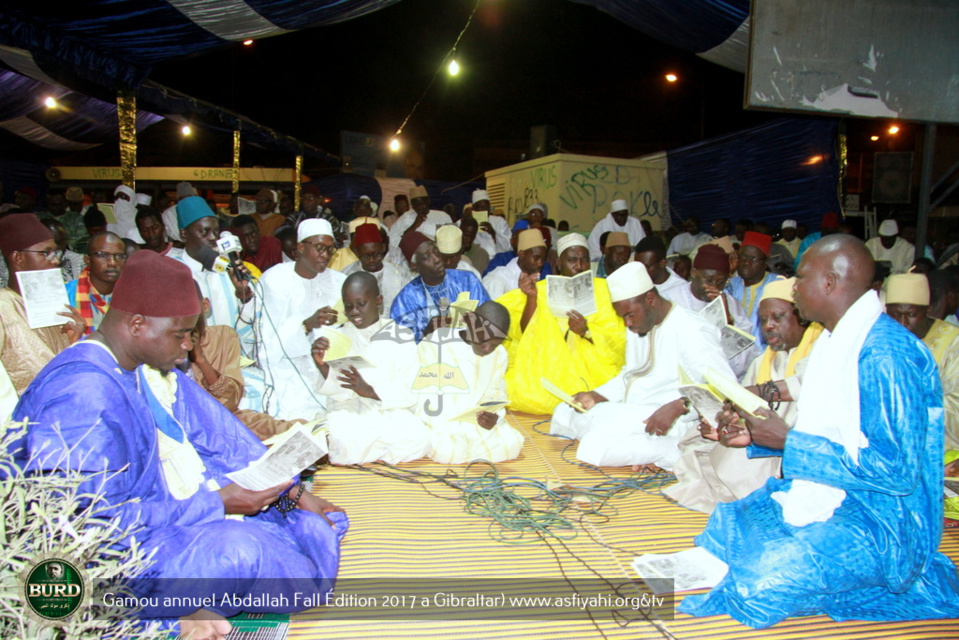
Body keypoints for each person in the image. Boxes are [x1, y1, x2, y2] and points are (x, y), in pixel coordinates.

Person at [12, 250, 348, 639]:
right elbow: (80, 531)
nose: (189, 346)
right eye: (180, 334)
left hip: (164, 519)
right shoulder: (82, 394)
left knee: (305, 527)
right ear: (137, 324)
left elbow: (223, 441)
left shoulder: (139, 368)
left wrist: (292, 495)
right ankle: (155, 616)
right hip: (102, 566)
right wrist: (217, 505)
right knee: (242, 551)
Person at [680, 235, 959, 628]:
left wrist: (790, 443)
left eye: (802, 277)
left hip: (881, 524)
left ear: (830, 282)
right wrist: (755, 437)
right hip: (830, 495)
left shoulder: (886, 353)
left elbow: (896, 470)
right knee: (726, 526)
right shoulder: (834, 340)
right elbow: (824, 428)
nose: (794, 287)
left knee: (759, 587)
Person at [551, 261, 733, 469]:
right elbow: (629, 375)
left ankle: (677, 450)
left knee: (594, 448)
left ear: (650, 299)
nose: (627, 323)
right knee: (563, 413)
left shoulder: (693, 330)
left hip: (668, 421)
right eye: (623, 317)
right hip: (631, 410)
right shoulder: (639, 323)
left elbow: (723, 389)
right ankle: (639, 449)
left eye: (629, 315)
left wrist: (679, 406)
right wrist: (596, 395)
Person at [666, 278, 823, 513]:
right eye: (763, 320)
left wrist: (756, 403)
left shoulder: (820, 352)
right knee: (696, 438)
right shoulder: (764, 361)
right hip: (759, 437)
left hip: (796, 445)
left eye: (777, 317)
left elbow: (803, 389)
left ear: (802, 317)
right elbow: (744, 410)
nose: (768, 326)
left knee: (733, 461)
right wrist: (722, 424)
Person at [497, 233, 625, 414]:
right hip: (550, 363)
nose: (579, 266)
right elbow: (524, 333)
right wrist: (532, 298)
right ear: (558, 262)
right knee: (528, 393)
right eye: (572, 260)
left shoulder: (604, 290)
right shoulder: (539, 289)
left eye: (584, 260)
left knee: (610, 391)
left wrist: (586, 332)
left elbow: (618, 338)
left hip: (592, 365)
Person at [311, 272, 429, 464]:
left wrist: (370, 391)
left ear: (378, 301)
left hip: (389, 412)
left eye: (361, 304)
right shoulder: (339, 337)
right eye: (348, 306)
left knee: (419, 438)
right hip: (352, 412)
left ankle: (356, 454)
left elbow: (410, 391)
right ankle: (373, 453)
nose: (354, 311)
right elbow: (337, 393)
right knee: (336, 432)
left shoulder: (401, 336)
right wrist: (322, 366)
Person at [415, 301, 525, 464]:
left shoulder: (500, 355)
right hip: (442, 418)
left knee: (512, 444)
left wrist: (494, 416)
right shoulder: (436, 343)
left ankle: (469, 446)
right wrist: (452, 423)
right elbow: (425, 395)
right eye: (483, 340)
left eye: (494, 345)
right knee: (448, 452)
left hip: (474, 420)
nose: (487, 349)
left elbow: (495, 393)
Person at [186, 284, 300, 441]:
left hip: (228, 418)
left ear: (205, 305)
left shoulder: (223, 336)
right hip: (191, 428)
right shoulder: (163, 348)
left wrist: (200, 359)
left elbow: (231, 400)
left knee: (294, 431)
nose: (184, 316)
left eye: (189, 307)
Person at [258, 219, 346, 421]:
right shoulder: (275, 280)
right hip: (287, 368)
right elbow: (268, 342)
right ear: (300, 247)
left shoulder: (339, 281)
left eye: (330, 250)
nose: (325, 255)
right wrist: (306, 325)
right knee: (301, 418)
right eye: (319, 248)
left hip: (331, 364)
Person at [0, 214, 83, 395]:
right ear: (18, 258)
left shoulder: (52, 304)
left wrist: (73, 343)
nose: (56, 260)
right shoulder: (3, 307)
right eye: (46, 253)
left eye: (56, 252)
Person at [885, 272, 959, 451]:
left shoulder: (952, 341)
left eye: (910, 314)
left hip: (938, 449)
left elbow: (956, 404)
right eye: (895, 314)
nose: (902, 322)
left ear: (927, 310)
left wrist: (907, 407)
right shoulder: (881, 338)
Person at [671, 244, 760, 377]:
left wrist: (728, 320)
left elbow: (746, 355)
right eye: (709, 280)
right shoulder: (670, 299)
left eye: (721, 282)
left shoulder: (731, 304)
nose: (714, 287)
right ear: (694, 273)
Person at [390, 232, 490, 342]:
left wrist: (477, 322)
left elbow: (490, 319)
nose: (437, 259)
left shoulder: (467, 280)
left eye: (436, 253)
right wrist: (427, 333)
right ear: (415, 266)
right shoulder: (405, 300)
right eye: (427, 257)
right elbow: (401, 347)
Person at [725, 231, 784, 346]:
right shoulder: (730, 285)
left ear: (766, 262)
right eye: (743, 257)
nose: (747, 263)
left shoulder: (777, 285)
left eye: (754, 259)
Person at [65, 232, 126, 335]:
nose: (112, 262)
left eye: (119, 256)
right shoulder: (66, 295)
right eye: (103, 255)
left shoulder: (131, 294)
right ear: (87, 260)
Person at [342, 223, 410, 313]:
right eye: (365, 256)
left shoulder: (401, 274)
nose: (371, 260)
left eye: (376, 254)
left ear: (383, 248)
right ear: (356, 252)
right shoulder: (345, 276)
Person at [482, 229, 547, 299]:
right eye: (536, 258)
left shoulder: (539, 278)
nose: (540, 263)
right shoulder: (498, 279)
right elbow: (491, 309)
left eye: (543, 259)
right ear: (522, 254)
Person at [387, 185, 452, 250]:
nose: (420, 207)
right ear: (412, 205)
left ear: (428, 201)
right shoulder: (405, 218)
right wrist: (414, 225)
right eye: (416, 205)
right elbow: (395, 241)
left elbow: (452, 238)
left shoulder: (443, 216)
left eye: (422, 204)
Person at [633, 235, 687, 302]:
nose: (640, 271)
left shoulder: (682, 291)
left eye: (645, 267)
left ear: (662, 263)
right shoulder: (634, 283)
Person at [42, 217, 85, 282]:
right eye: (53, 242)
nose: (56, 247)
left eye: (60, 242)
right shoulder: (33, 261)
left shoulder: (79, 260)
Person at [61, 187, 91, 252]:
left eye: (77, 204)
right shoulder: (63, 215)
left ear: (82, 201)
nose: (75, 207)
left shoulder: (89, 214)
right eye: (72, 204)